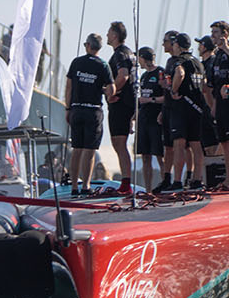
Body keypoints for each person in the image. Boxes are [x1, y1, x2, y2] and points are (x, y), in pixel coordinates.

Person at [65, 33, 114, 194]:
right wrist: (103, 90)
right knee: (89, 150)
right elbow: (111, 89)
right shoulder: (103, 65)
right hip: (93, 110)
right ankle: (85, 186)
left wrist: (68, 108)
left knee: (77, 149)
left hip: (76, 109)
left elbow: (69, 87)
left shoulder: (76, 62)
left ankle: (74, 186)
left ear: (88, 45)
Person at [162, 31, 205, 191]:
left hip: (181, 107)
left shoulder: (179, 61)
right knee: (195, 144)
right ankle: (197, 179)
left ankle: (177, 181)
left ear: (177, 45)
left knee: (179, 144)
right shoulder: (197, 62)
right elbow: (204, 83)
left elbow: (180, 73)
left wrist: (173, 90)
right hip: (197, 107)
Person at [204, 23, 229, 189]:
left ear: (225, 34)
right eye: (212, 32)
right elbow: (213, 84)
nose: (213, 35)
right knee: (225, 142)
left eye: (216, 32)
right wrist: (213, 104)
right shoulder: (216, 55)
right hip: (220, 102)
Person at [106, 21, 137, 192]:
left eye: (109, 32)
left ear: (115, 35)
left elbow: (123, 75)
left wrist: (111, 92)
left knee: (119, 142)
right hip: (128, 101)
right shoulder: (128, 53)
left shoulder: (120, 54)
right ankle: (126, 181)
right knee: (119, 142)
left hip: (121, 102)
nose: (107, 35)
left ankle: (126, 183)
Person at [134, 46, 166, 194]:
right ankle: (148, 190)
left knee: (160, 155)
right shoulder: (143, 76)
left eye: (139, 58)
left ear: (144, 58)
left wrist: (151, 100)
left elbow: (167, 97)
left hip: (156, 119)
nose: (138, 61)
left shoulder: (160, 73)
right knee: (145, 156)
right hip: (144, 118)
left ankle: (165, 183)